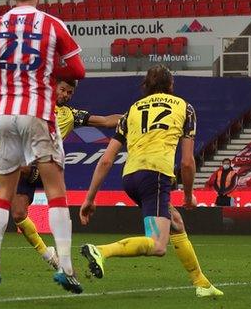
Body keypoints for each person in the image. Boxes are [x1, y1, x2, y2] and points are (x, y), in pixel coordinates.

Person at [0, 0, 85, 293]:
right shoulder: (52, 24)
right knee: (57, 191)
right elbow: (78, 71)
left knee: (3, 192)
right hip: (38, 114)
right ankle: (67, 268)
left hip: (4, 115)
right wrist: (47, 69)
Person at [78, 65, 224, 297]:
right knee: (157, 245)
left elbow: (106, 160)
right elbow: (187, 162)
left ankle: (202, 283)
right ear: (171, 85)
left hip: (130, 177)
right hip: (155, 175)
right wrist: (188, 195)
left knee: (175, 221)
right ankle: (101, 251)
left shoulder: (132, 111)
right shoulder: (185, 108)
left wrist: (89, 198)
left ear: (146, 86)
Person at [0, 77, 121, 270]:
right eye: (63, 90)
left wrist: (131, 116)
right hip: (25, 166)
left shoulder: (70, 115)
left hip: (44, 168)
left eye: (69, 93)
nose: (66, 95)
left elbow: (105, 121)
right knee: (18, 214)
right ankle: (49, 255)